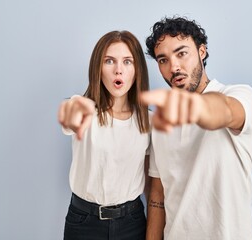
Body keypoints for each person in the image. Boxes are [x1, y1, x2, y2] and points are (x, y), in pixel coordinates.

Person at [140, 16, 252, 239]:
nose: (173, 67)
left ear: (201, 51)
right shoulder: (160, 123)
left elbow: (223, 111)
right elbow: (157, 197)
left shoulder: (240, 95)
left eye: (181, 53)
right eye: (163, 60)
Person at [58, 30, 151, 240]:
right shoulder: (86, 109)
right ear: (98, 69)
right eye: (109, 61)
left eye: (128, 62)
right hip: (84, 222)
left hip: (132, 222)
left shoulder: (148, 122)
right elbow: (70, 114)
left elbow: (150, 180)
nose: (119, 70)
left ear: (137, 70)